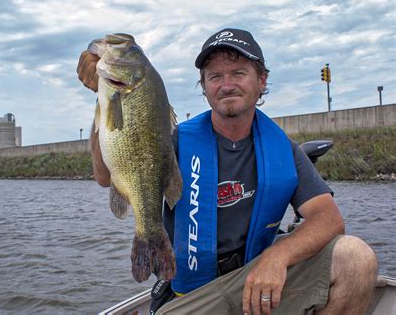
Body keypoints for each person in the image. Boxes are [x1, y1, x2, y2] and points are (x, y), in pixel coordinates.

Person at [77, 28, 378, 315]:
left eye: (238, 73)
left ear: (262, 80)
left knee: (355, 258)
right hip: (192, 296)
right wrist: (104, 100)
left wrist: (277, 256)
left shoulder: (283, 149)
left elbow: (329, 219)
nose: (226, 84)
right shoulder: (175, 141)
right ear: (205, 88)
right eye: (215, 76)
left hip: (256, 284)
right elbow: (106, 177)